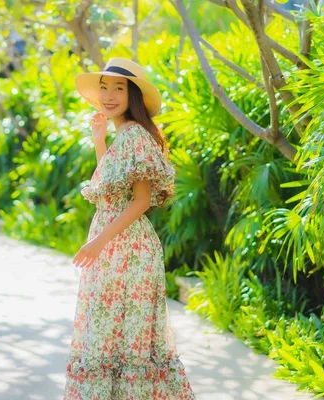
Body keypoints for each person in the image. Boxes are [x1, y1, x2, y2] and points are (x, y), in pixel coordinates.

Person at [64, 58, 196, 399]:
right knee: (108, 335)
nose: (109, 96)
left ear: (132, 94)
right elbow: (112, 185)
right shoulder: (123, 135)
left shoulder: (135, 134)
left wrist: (97, 242)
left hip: (128, 250)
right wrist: (99, 139)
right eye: (104, 88)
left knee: (124, 338)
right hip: (113, 247)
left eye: (118, 88)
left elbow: (141, 201)